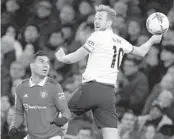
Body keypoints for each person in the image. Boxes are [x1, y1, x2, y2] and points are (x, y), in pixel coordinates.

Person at [55, 4, 162, 139]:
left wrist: (63, 58)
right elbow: (141, 52)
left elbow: (77, 55)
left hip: (91, 88)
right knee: (111, 136)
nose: (96, 21)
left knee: (59, 120)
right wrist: (152, 39)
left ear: (109, 22)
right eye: (95, 18)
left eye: (100, 18)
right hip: (108, 94)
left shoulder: (97, 36)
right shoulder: (121, 41)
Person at [8, 51, 71, 139]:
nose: (45, 65)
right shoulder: (21, 87)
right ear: (32, 66)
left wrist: (63, 119)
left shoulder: (54, 86)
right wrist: (14, 126)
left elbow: (66, 111)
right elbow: (18, 113)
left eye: (47, 63)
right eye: (41, 62)